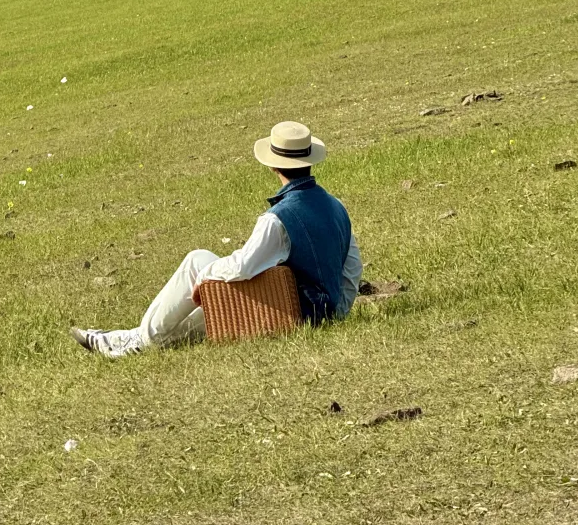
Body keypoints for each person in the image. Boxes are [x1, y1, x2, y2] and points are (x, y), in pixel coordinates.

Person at [70, 120, 362, 359]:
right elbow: (351, 271)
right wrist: (338, 313)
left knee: (198, 261)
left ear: (273, 166)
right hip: (327, 310)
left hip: (293, 312)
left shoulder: (278, 219)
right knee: (202, 311)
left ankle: (137, 341)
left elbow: (243, 267)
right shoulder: (336, 206)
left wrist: (205, 277)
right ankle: (130, 339)